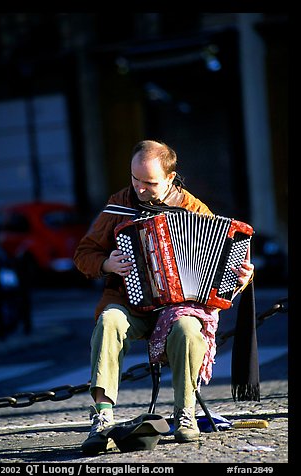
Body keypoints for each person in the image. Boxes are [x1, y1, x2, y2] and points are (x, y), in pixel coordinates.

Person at [74, 139, 254, 453]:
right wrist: (106, 263)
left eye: (149, 183)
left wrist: (241, 278)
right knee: (109, 321)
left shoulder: (194, 209)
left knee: (187, 330)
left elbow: (224, 271)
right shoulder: (119, 206)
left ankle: (185, 414)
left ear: (170, 178)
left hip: (179, 310)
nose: (139, 189)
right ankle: (102, 417)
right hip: (131, 305)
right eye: (135, 179)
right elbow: (83, 253)